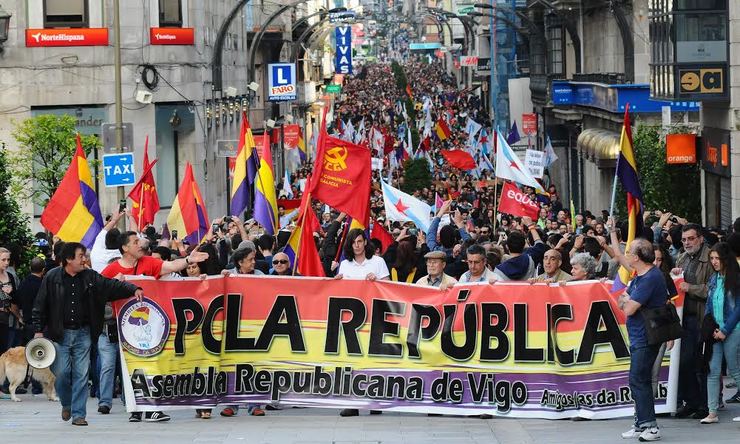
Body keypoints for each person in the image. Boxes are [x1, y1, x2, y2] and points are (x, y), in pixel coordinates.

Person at [31, 242, 143, 426]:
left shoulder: (90, 276)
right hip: (60, 334)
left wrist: (133, 289)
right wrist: (37, 331)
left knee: (82, 374)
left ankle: (78, 415)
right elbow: (40, 305)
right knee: (62, 373)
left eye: (85, 255)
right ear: (68, 259)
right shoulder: (52, 277)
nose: (85, 259)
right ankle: (66, 403)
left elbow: (110, 285)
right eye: (81, 256)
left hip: (84, 333)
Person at [101, 231, 208, 422]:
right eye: (135, 242)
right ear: (125, 248)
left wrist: (188, 259)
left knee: (151, 365)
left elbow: (172, 266)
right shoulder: (111, 271)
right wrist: (113, 285)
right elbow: (97, 292)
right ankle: (136, 409)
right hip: (126, 328)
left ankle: (151, 409)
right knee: (130, 368)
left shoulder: (148, 262)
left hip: (152, 325)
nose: (140, 245)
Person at [617, 238, 667, 442]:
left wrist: (627, 301)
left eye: (630, 252)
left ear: (637, 257)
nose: (627, 255)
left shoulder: (650, 278)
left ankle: (650, 426)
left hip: (646, 337)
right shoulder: (641, 275)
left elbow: (627, 307)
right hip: (639, 335)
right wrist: (627, 300)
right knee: (637, 380)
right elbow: (623, 300)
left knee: (639, 380)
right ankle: (640, 424)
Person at [336, 228, 389, 417]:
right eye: (353, 243)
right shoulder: (345, 265)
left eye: (360, 241)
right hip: (351, 320)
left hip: (374, 317)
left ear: (365, 242)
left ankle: (375, 401)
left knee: (374, 360)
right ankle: (353, 403)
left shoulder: (378, 262)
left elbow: (389, 289)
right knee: (352, 361)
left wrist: (377, 282)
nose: (357, 246)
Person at [672, 224, 712, 418]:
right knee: (684, 362)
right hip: (685, 319)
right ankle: (692, 402)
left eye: (691, 238)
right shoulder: (682, 257)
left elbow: (715, 290)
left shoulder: (711, 258)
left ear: (700, 238)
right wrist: (675, 276)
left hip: (703, 318)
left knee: (701, 364)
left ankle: (705, 405)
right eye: (684, 239)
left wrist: (691, 287)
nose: (687, 242)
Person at [699, 242, 740, 424]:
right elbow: (709, 306)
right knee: (713, 371)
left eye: (718, 258)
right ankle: (712, 412)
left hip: (733, 330)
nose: (714, 262)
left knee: (735, 369)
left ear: (725, 259)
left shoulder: (737, 278)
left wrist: (725, 330)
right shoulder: (714, 279)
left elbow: (738, 309)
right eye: (712, 258)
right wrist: (711, 328)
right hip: (715, 332)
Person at [492, 217, 546, 281]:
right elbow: (539, 245)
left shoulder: (498, 270)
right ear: (524, 246)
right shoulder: (531, 258)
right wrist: (530, 226)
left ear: (507, 247)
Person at [0, 247, 21, 355]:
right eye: (3, 260)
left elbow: (16, 299)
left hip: (9, 319)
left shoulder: (11, 277)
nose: (6, 263)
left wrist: (11, 292)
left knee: (6, 352)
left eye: (8, 260)